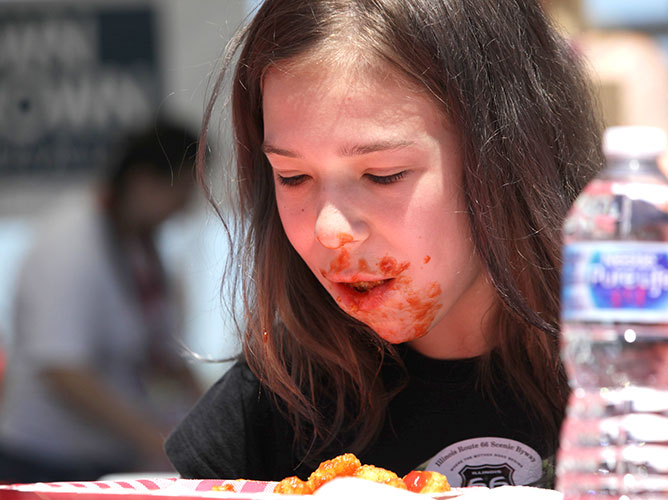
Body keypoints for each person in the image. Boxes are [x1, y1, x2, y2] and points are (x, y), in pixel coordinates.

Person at [165, 0, 604, 489]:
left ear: (508, 156)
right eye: (292, 177)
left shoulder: (634, 371)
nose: (331, 229)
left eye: (383, 174)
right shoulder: (280, 399)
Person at [0, 120, 203, 482]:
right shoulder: (70, 242)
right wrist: (155, 439)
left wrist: (217, 417)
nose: (185, 208)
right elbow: (62, 370)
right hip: (43, 464)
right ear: (143, 181)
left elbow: (164, 356)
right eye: (182, 190)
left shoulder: (141, 247)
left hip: (105, 459)